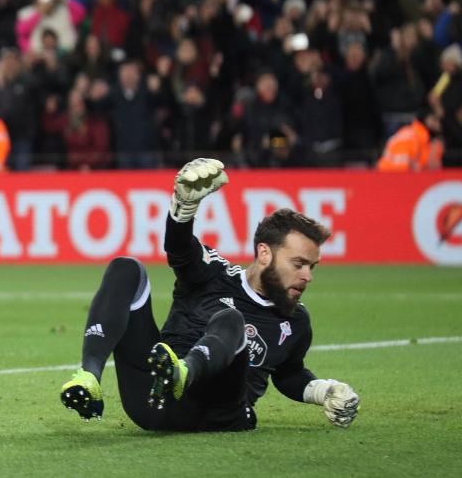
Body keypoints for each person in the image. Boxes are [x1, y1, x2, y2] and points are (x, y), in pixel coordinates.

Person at [60, 158, 360, 432]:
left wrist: (324, 390)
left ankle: (184, 373)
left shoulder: (296, 321)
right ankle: (89, 376)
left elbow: (289, 374)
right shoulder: (215, 273)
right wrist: (183, 209)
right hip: (154, 400)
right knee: (126, 268)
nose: (307, 276)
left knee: (231, 320)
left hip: (221, 413)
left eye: (312, 266)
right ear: (265, 254)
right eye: (298, 264)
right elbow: (179, 249)